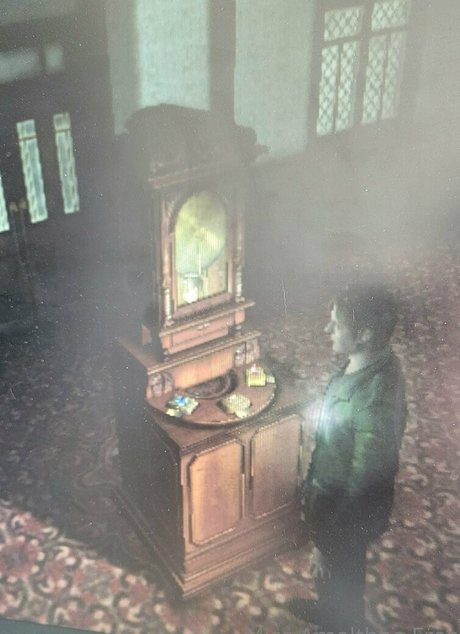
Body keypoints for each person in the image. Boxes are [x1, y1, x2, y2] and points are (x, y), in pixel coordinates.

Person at [286, 283, 407, 632]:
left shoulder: (375, 400)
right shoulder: (367, 364)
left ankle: (342, 623)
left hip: (347, 513)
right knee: (337, 575)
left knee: (341, 571)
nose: (327, 330)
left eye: (336, 325)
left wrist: (327, 544)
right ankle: (331, 612)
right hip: (334, 497)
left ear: (364, 335)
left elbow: (365, 483)